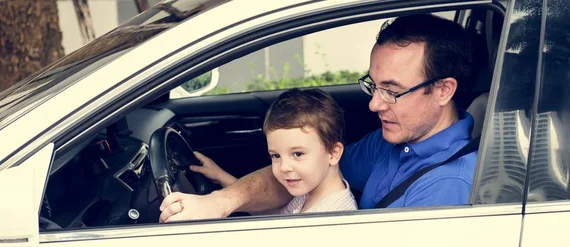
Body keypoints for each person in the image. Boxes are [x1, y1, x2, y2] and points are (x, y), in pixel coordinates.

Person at [159, 13, 477, 222]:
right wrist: (222, 201)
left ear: (443, 90)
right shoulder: (391, 142)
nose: (374, 105)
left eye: (392, 90)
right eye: (373, 86)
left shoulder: (446, 186)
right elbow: (309, 173)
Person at [160, 89, 356, 222]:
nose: (284, 167)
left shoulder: (332, 219)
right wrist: (221, 177)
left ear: (333, 153)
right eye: (275, 156)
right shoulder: (309, 192)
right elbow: (273, 215)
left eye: (297, 154)